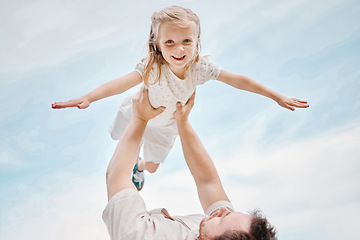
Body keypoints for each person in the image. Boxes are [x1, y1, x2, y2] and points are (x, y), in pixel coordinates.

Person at [52, 6, 309, 191]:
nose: (179, 49)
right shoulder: (152, 67)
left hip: (165, 126)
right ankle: (131, 162)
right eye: (170, 42)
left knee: (151, 167)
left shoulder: (201, 68)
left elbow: (239, 80)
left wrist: (276, 96)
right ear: (157, 43)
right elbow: (120, 84)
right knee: (123, 148)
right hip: (138, 114)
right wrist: (88, 97)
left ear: (197, 41)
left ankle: (139, 168)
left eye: (186, 40)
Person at [103, 86, 277, 240]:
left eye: (222, 218)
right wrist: (182, 121)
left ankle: (138, 167)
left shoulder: (139, 236)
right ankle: (140, 167)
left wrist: (140, 118)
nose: (222, 211)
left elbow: (116, 176)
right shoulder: (216, 230)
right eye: (230, 212)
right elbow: (208, 182)